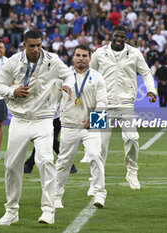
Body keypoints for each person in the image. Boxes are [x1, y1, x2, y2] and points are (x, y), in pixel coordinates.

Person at [0, 30, 74, 226]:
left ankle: (48, 210)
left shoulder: (52, 60)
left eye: (39, 45)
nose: (36, 49)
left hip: (44, 119)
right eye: (32, 46)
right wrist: (13, 91)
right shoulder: (13, 61)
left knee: (45, 161)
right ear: (24, 45)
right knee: (12, 166)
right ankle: (11, 210)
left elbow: (69, 75)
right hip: (20, 119)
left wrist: (68, 86)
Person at [90, 25, 156, 191]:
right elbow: (89, 75)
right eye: (116, 37)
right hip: (101, 104)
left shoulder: (134, 53)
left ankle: (132, 171)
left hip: (125, 103)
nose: (119, 40)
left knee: (132, 137)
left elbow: (146, 73)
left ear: (126, 39)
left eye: (122, 37)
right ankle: (95, 180)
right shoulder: (99, 53)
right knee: (99, 145)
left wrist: (150, 89)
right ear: (110, 36)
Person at [55, 44, 108, 209]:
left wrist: (93, 119)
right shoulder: (64, 76)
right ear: (73, 57)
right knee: (64, 162)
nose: (81, 59)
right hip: (69, 125)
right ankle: (56, 196)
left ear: (90, 58)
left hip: (90, 126)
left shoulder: (97, 77)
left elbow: (103, 102)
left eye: (85, 56)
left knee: (95, 156)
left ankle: (99, 193)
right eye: (78, 55)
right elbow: (53, 99)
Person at [23, 108, 78, 174]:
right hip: (44, 118)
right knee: (43, 140)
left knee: (52, 141)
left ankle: (28, 165)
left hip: (55, 117)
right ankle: (28, 165)